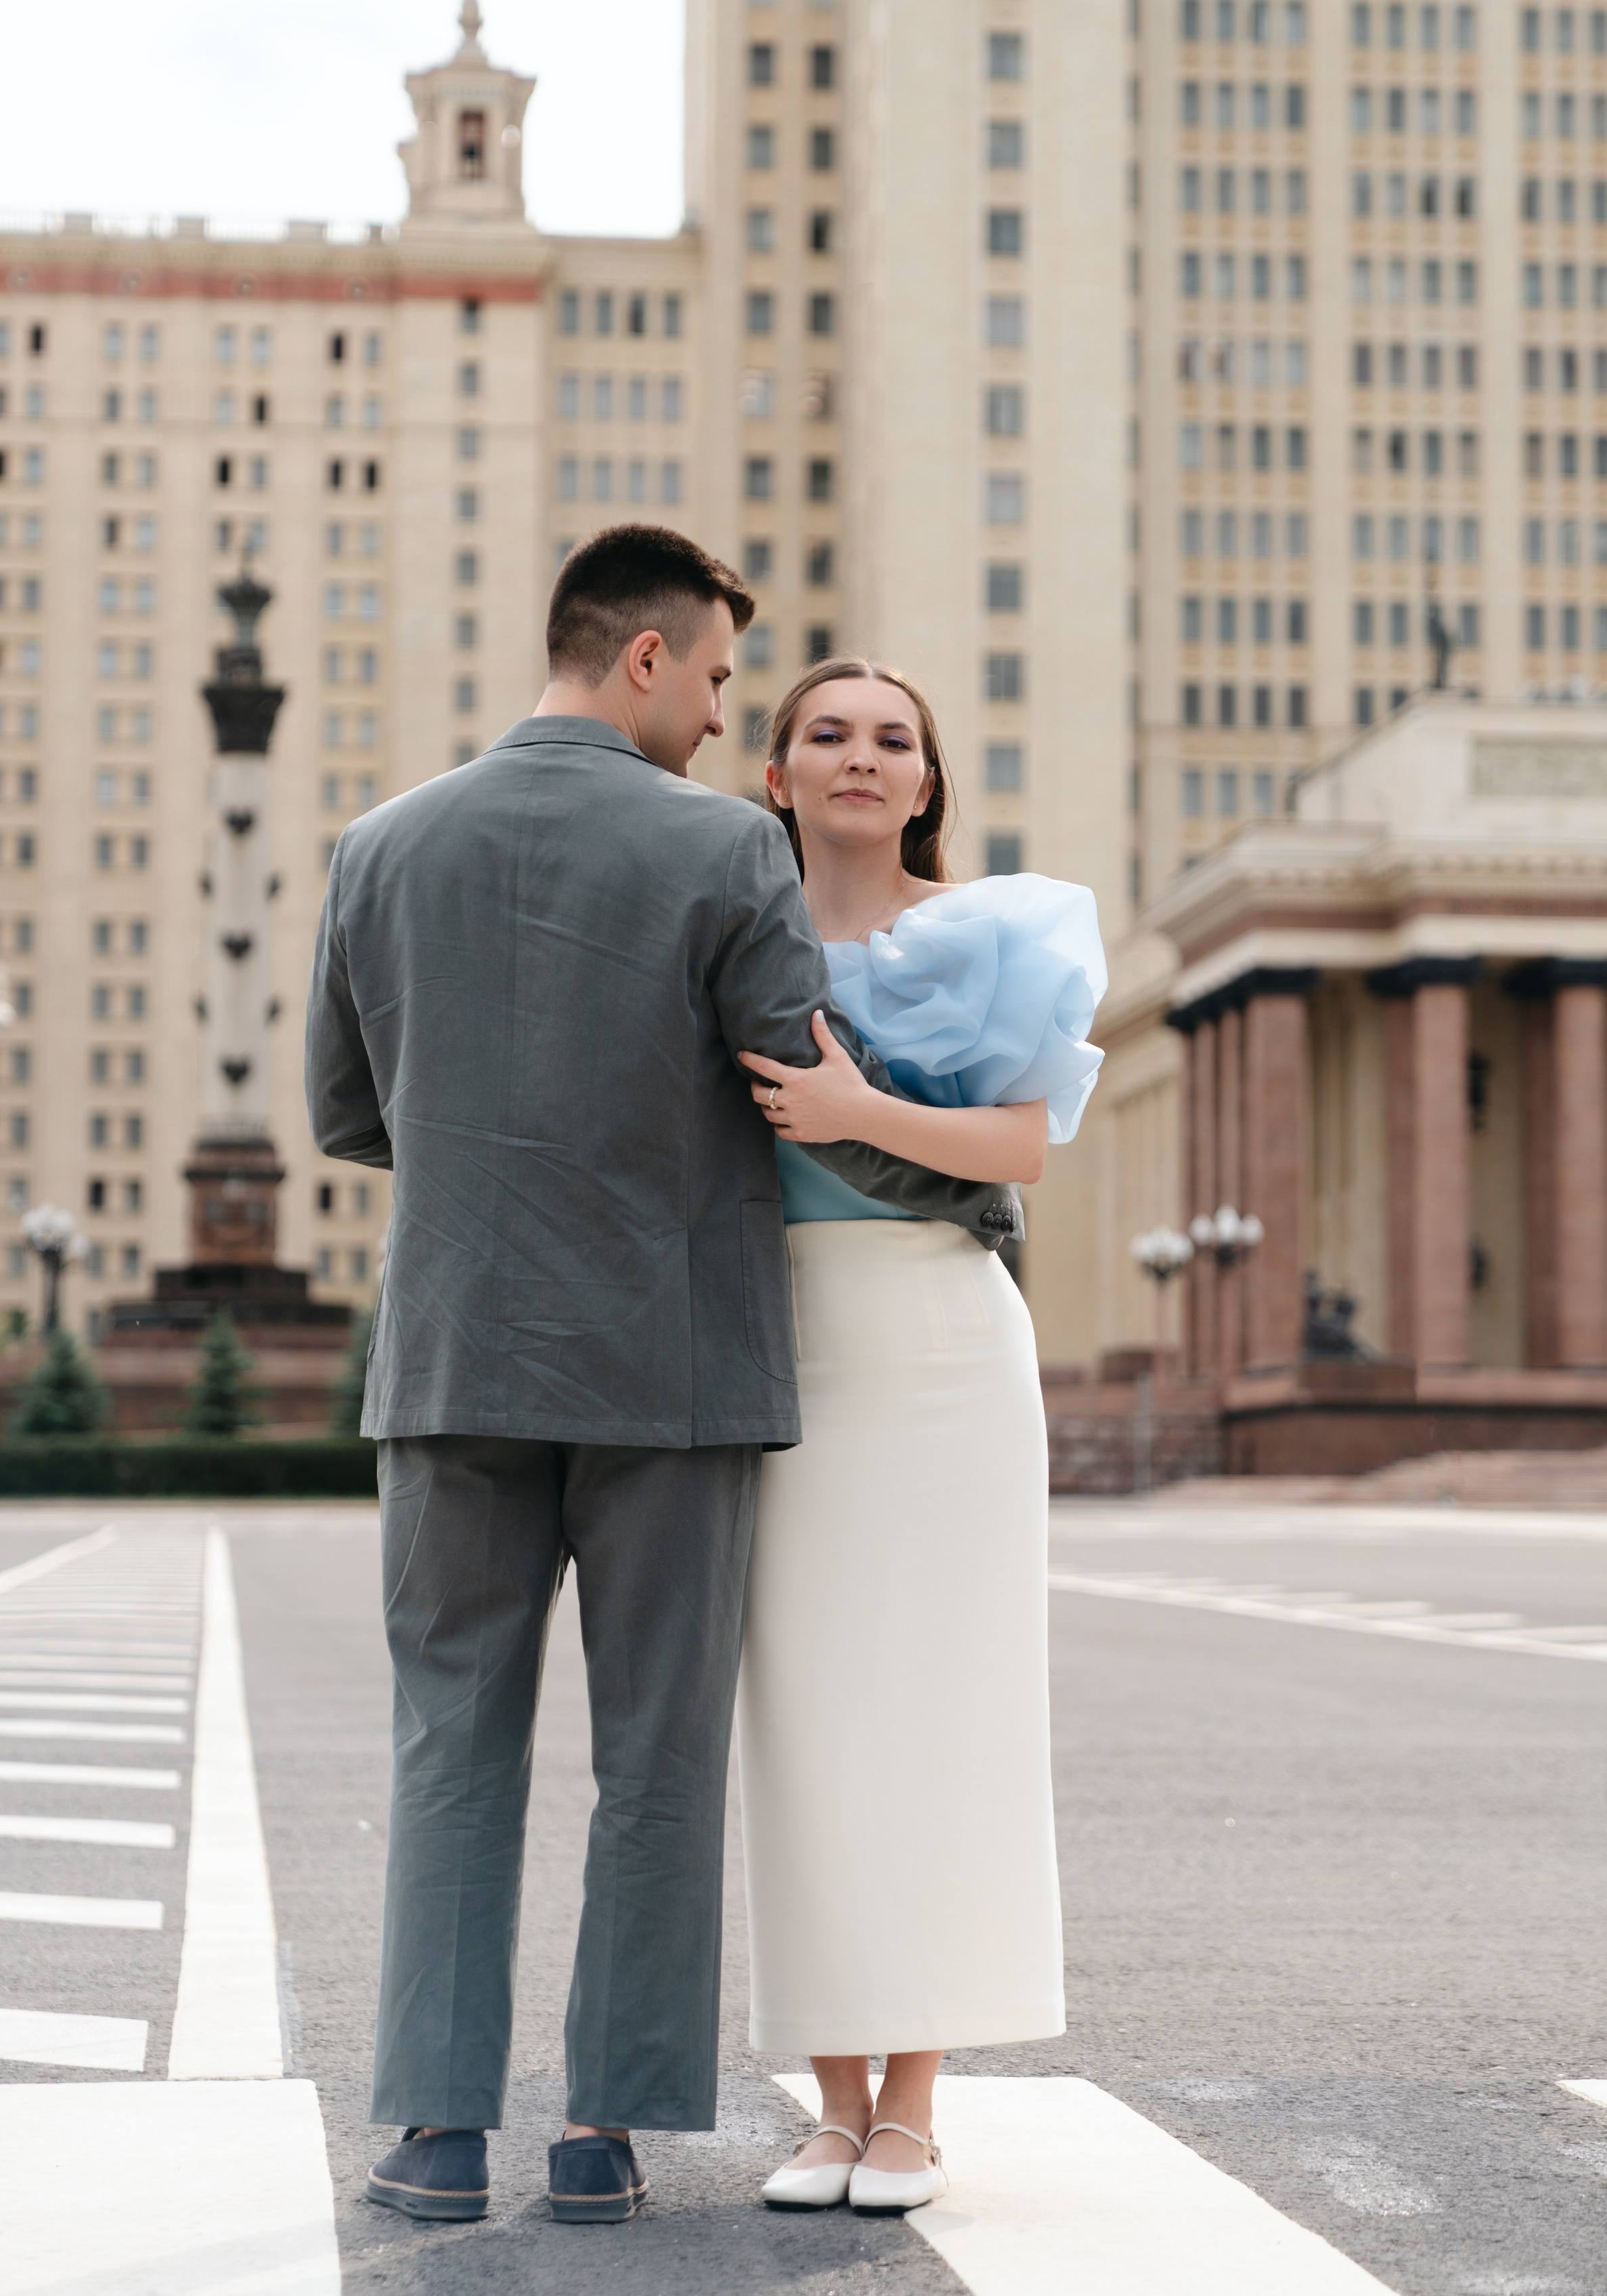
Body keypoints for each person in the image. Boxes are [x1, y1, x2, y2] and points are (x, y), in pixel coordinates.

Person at [303, 532, 1014, 2229]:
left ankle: (433, 2132)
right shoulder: (718, 850)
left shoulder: (378, 845)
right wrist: (973, 1185)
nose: (714, 721)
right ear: (643, 660)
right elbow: (797, 1084)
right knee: (655, 1761)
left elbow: (343, 1117)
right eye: (709, 683)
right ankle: (601, 2133)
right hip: (672, 1374)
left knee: (448, 1751)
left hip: (455, 1358)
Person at [735, 658, 1105, 2217]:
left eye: (893, 739)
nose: (861, 758)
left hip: (946, 1344)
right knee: (806, 1726)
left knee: (946, 1712)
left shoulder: (983, 936)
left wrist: (852, 1115)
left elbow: (1023, 1141)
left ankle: (912, 2110)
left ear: (927, 781)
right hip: (776, 1346)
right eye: (828, 734)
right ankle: (827, 2102)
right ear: (777, 771)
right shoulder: (723, 937)